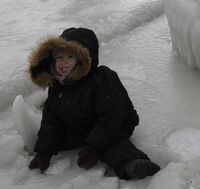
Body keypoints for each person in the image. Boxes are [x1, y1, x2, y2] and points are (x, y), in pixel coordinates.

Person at [27, 28, 160, 180]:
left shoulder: (103, 79)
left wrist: (94, 147)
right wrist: (44, 152)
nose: (64, 61)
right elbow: (52, 121)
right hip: (81, 126)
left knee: (113, 146)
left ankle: (133, 164)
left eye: (70, 56)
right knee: (57, 139)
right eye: (59, 57)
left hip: (115, 123)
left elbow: (112, 116)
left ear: (83, 59)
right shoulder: (58, 86)